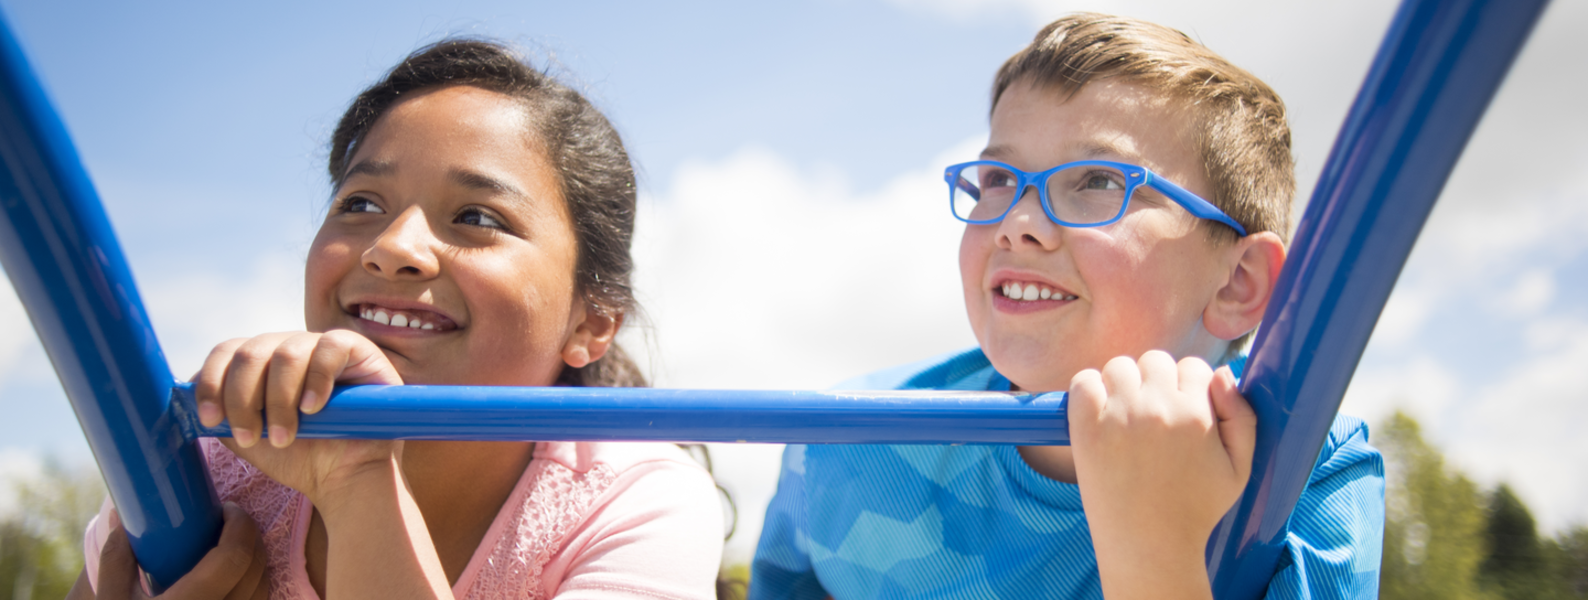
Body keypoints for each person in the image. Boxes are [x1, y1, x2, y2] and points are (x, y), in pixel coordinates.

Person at [750, 13, 1384, 600]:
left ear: (1238, 283)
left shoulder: (1306, 471)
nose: (1017, 223)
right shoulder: (844, 444)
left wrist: (1154, 549)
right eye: (999, 179)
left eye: (1099, 182)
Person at [69, 39, 725, 600]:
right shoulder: (207, 468)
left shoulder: (642, 501)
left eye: (476, 218)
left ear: (593, 322)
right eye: (359, 203)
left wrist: (358, 482)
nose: (393, 247)